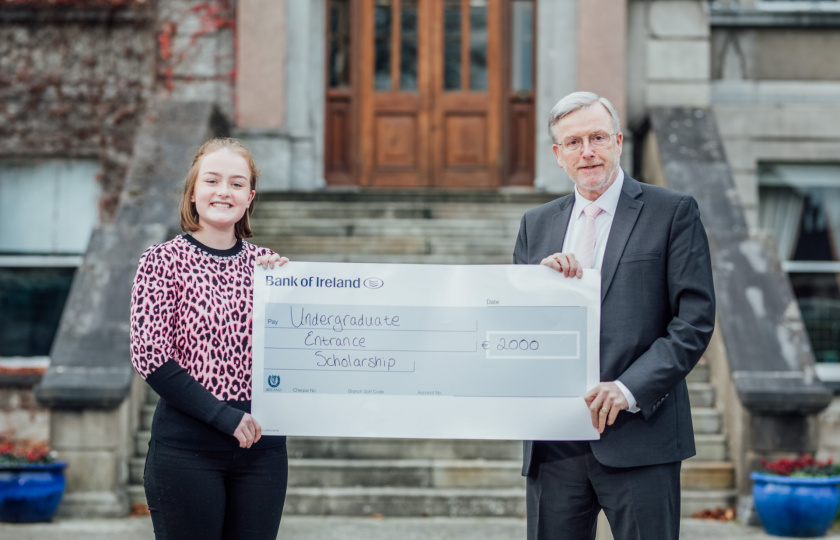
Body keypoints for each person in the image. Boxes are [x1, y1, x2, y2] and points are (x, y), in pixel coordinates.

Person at [513, 92, 715, 540]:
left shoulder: (672, 211)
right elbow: (516, 325)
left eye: (597, 137)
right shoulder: (536, 224)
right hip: (554, 444)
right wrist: (538, 287)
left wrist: (629, 389)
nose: (587, 151)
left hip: (641, 435)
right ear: (558, 155)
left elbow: (694, 321)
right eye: (573, 142)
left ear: (619, 142)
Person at [130, 137, 289, 539]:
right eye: (212, 180)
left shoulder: (269, 268)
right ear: (193, 192)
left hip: (262, 452)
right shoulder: (161, 261)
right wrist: (223, 416)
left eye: (237, 183)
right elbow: (150, 355)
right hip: (187, 450)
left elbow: (294, 352)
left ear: (249, 197)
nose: (224, 191)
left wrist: (289, 291)